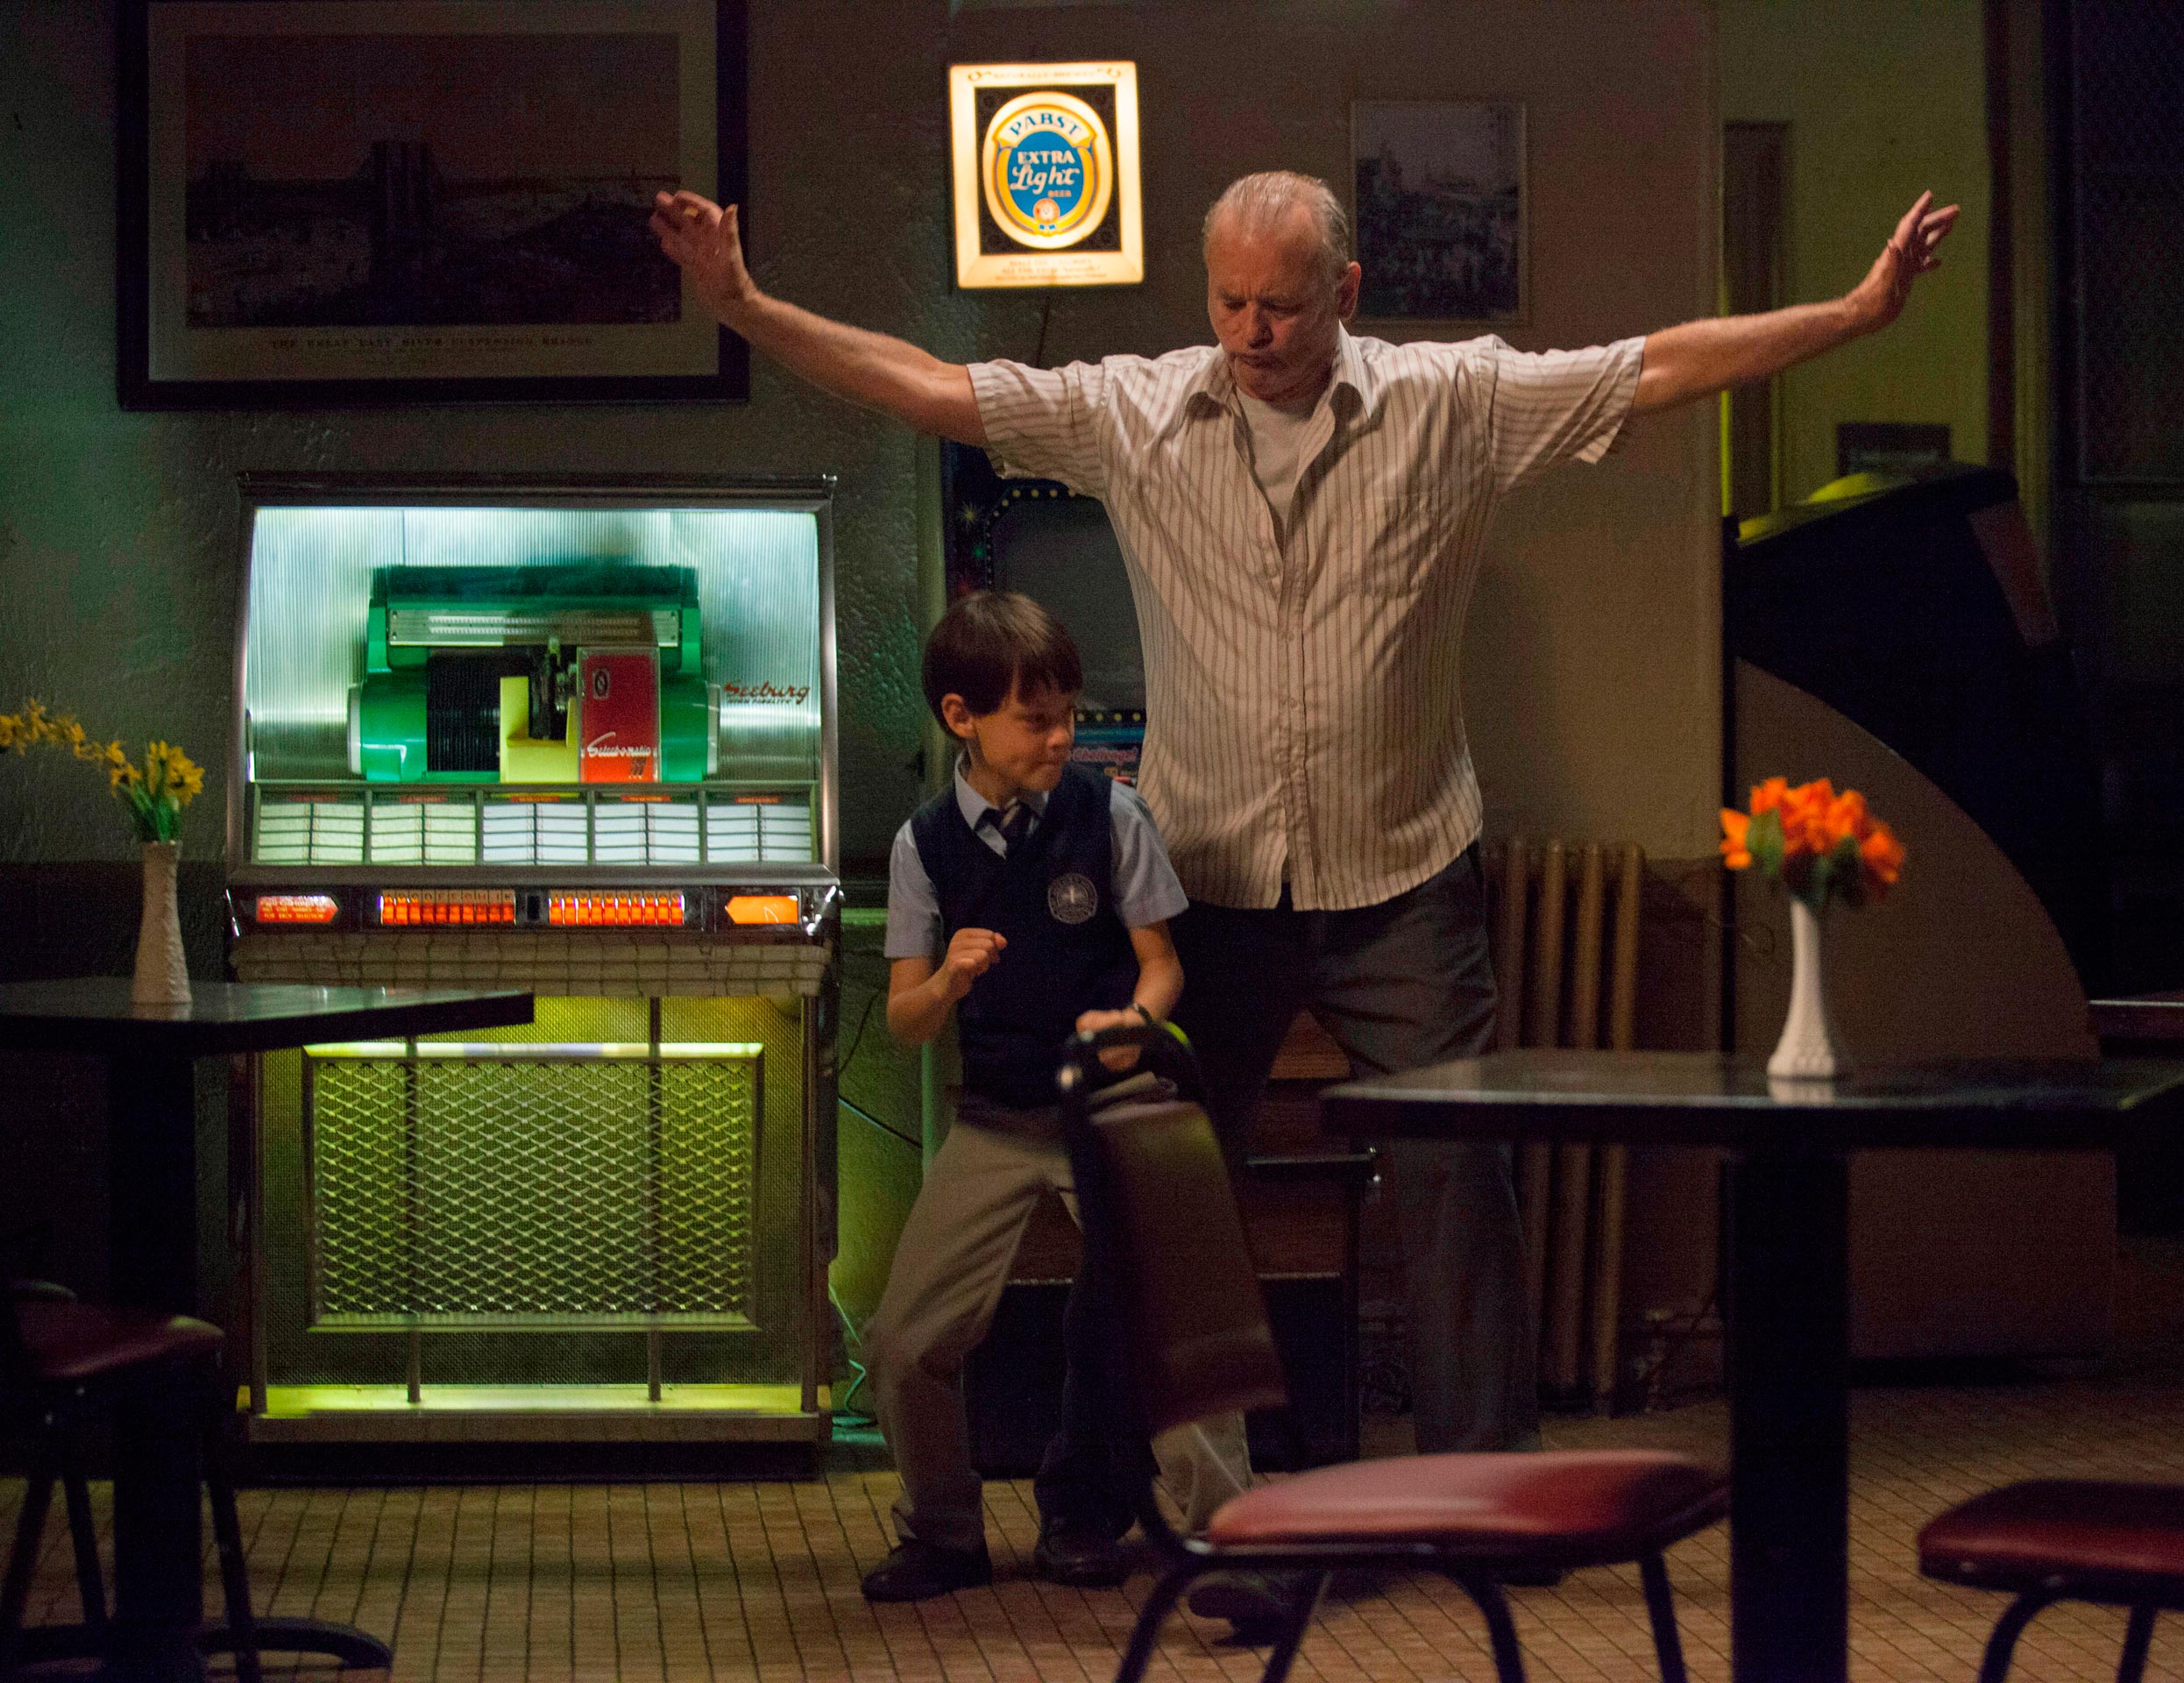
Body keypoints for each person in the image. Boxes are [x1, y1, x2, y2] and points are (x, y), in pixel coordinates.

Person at [654, 160, 1954, 1490]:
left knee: (1460, 1182)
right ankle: (1092, 1494)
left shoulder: (1451, 403)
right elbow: (930, 386)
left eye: (1279, 304)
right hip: (1204, 886)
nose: (1251, 331)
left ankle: (1482, 1490)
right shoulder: (1133, 412)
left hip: (1405, 874)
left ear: (1345, 289)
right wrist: (746, 305)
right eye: (1228, 301)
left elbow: (1654, 368)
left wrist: (1855, 314)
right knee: (1149, 1186)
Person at [860, 589, 1252, 1605]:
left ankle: (1230, 1544)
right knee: (902, 1343)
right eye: (1036, 719)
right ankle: (943, 1532)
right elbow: (906, 1018)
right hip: (997, 1120)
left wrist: (1133, 1024)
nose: (1062, 736)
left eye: (1067, 713)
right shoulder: (922, 845)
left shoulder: (1111, 815)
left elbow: (1162, 965)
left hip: (1112, 1109)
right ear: (962, 718)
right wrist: (947, 981)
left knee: (1183, 1320)